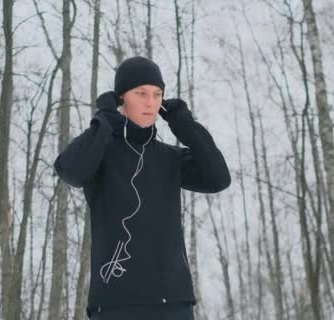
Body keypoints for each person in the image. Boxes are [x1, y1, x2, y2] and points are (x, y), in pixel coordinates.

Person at [53, 56, 231, 320]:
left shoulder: (170, 158)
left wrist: (184, 124)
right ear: (121, 98)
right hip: (117, 303)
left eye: (157, 94)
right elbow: (70, 170)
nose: (150, 102)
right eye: (141, 93)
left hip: (173, 302)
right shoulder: (100, 152)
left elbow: (218, 178)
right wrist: (104, 119)